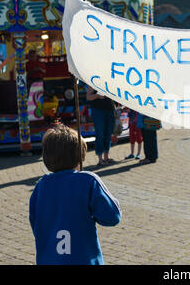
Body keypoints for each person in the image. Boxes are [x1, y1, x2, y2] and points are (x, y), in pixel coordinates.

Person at [29, 124, 121, 265]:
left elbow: (36, 226)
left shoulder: (40, 186)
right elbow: (112, 217)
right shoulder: (88, 181)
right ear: (79, 157)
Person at [86, 86, 116, 166]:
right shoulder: (93, 82)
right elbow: (88, 97)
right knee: (100, 135)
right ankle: (100, 159)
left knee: (108, 135)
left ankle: (106, 158)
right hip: (98, 111)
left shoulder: (109, 81)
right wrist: (98, 96)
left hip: (110, 110)